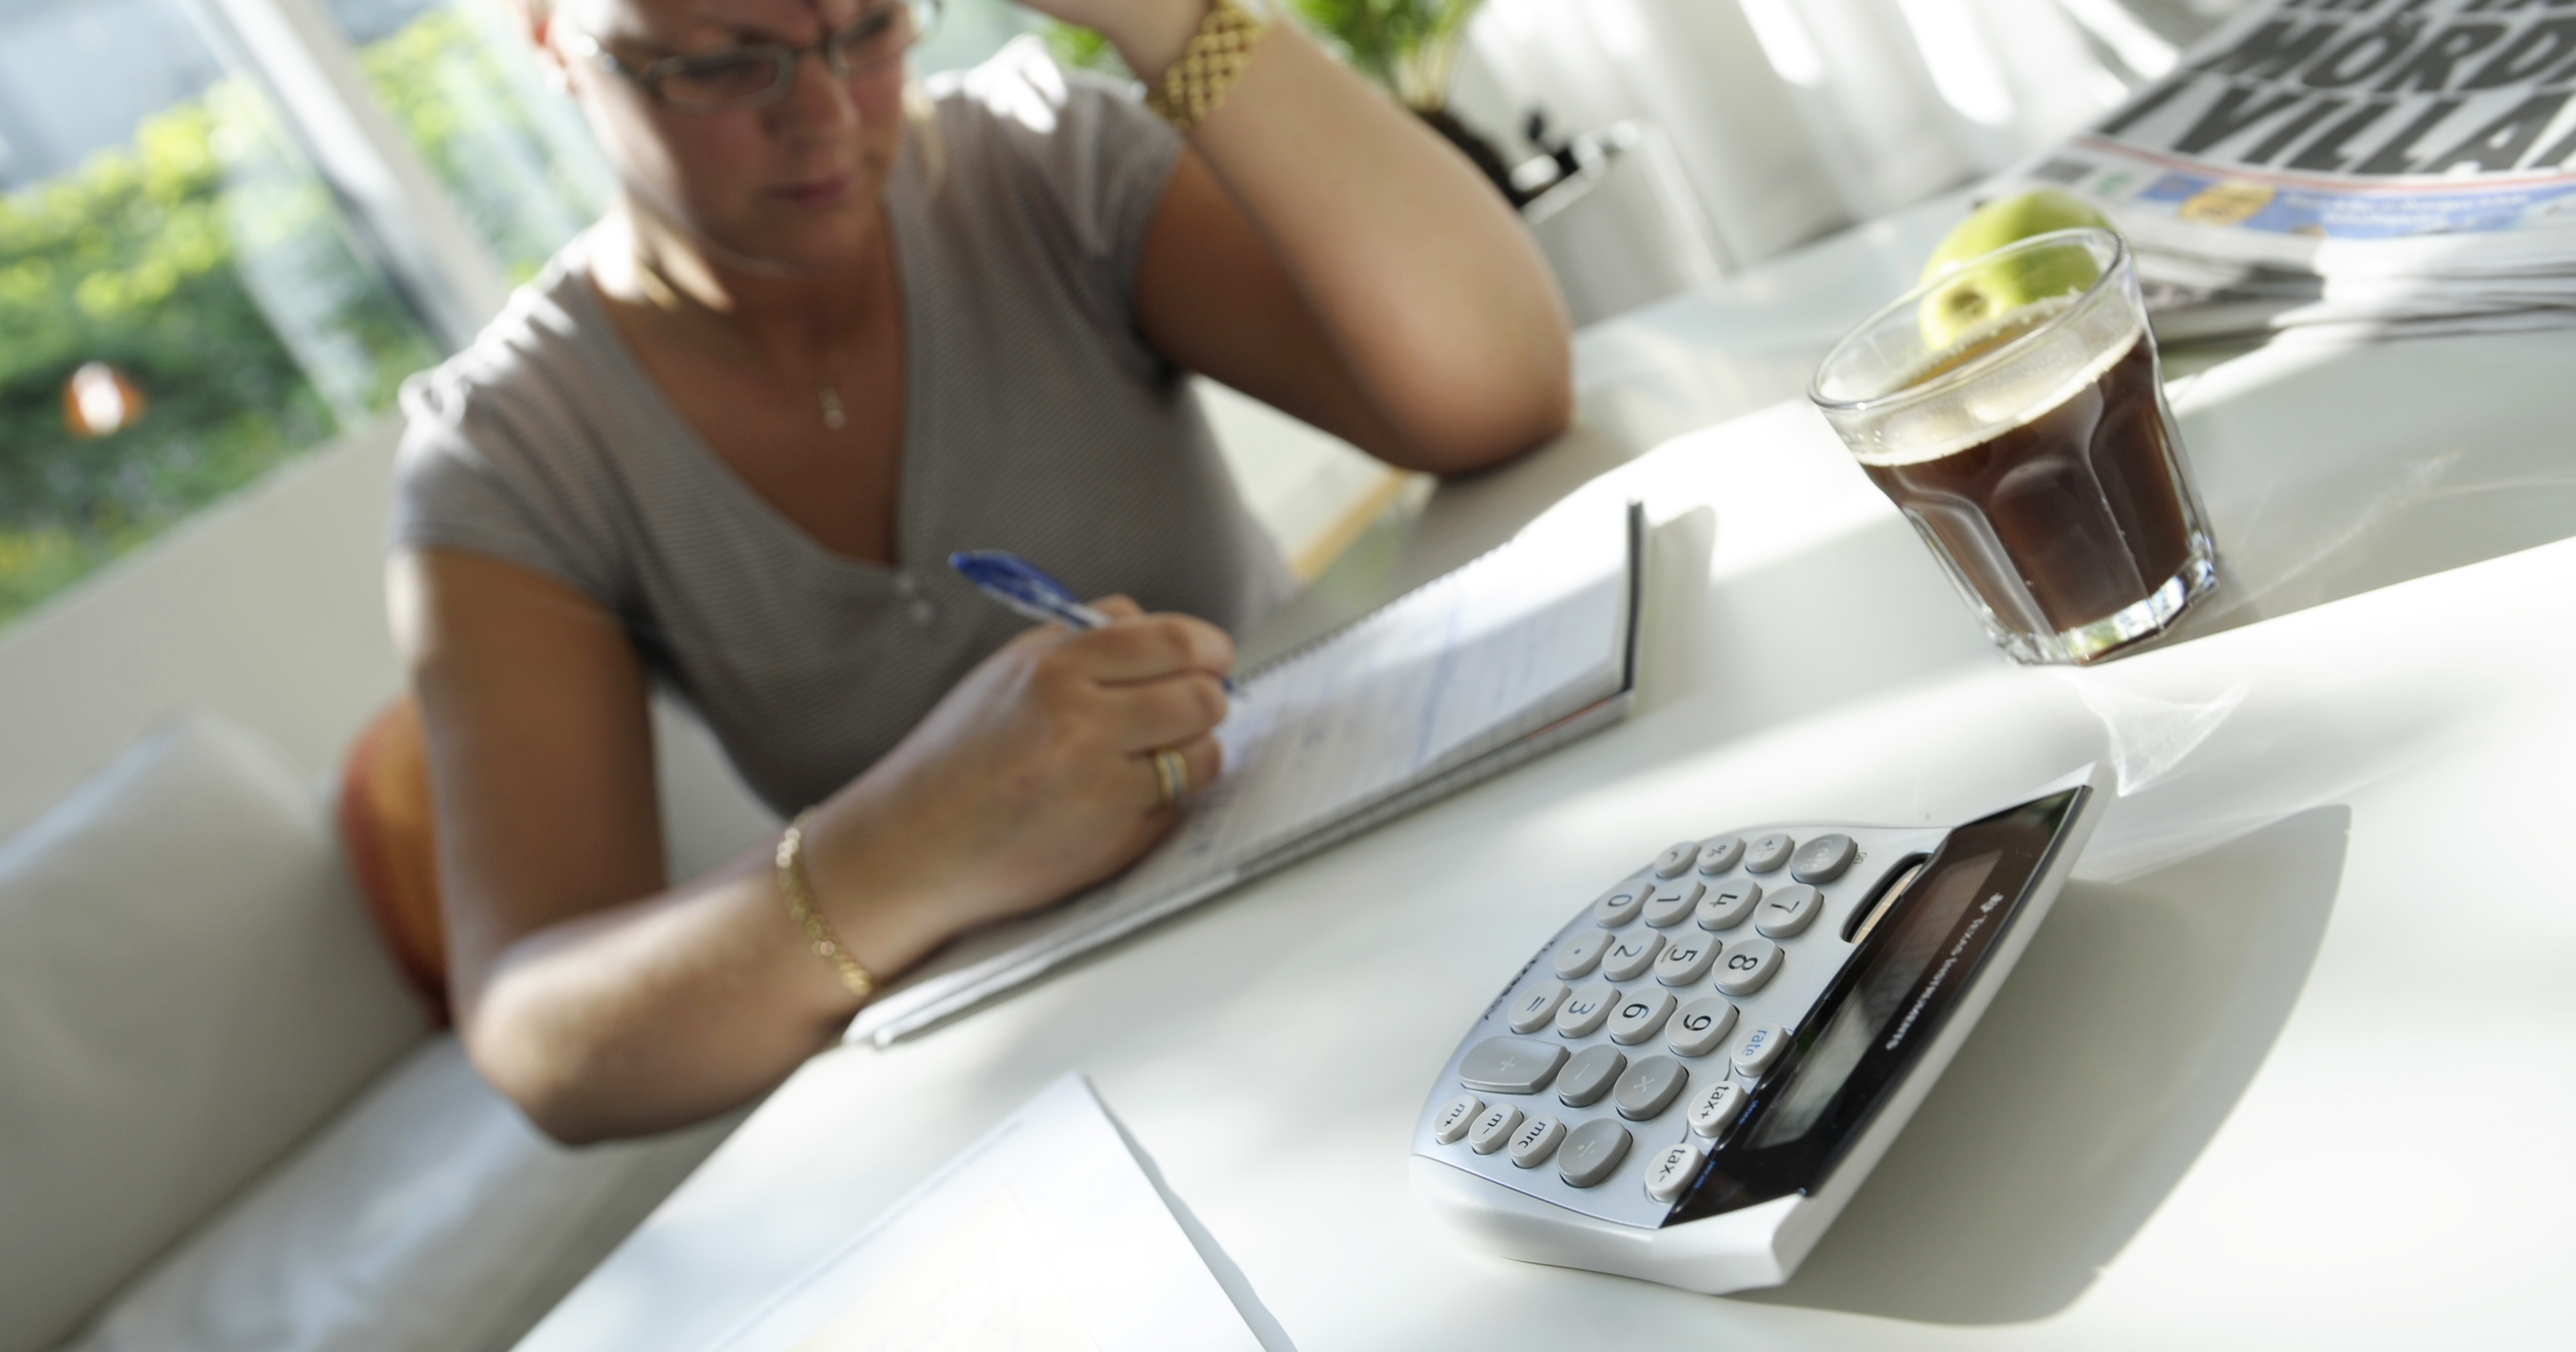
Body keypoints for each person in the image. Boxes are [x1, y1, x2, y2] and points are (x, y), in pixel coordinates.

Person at [388, 0, 1571, 1144]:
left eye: (865, 30)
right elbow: (539, 1038)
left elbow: (1504, 387)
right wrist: (905, 844)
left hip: (1386, 891)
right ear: (549, 32)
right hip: (1065, 1097)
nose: (829, 117)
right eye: (727, 64)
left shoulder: (1047, 163)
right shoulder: (508, 457)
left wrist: (1169, 19)